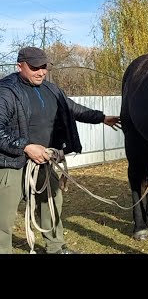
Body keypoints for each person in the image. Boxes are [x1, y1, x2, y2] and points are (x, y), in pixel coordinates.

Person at [0, 46, 121, 254]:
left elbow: (72, 109)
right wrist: (26, 147)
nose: (41, 72)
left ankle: (56, 247)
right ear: (20, 66)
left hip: (45, 161)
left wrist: (102, 118)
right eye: (35, 67)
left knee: (52, 202)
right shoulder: (6, 91)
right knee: (4, 214)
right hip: (12, 163)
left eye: (44, 67)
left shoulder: (51, 89)